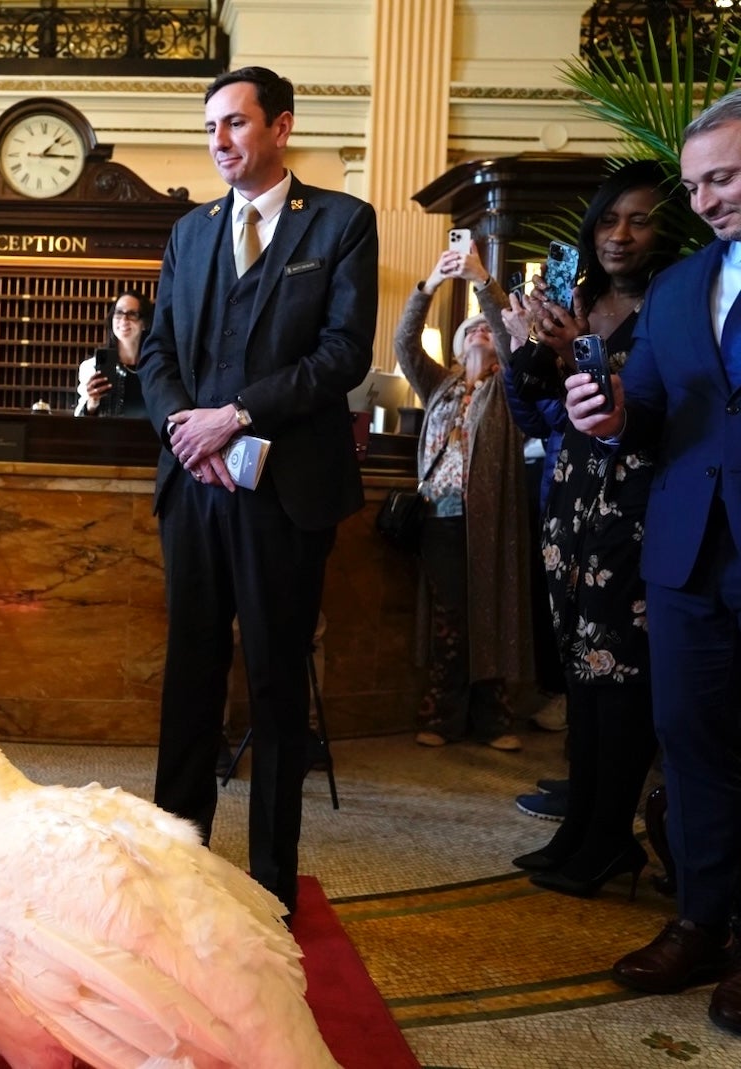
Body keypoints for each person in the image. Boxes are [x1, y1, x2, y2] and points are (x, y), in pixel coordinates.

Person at [134, 66, 378, 913]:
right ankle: (176, 862)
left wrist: (231, 415)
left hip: (286, 494)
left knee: (275, 685)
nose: (220, 142)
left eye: (235, 124)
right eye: (211, 128)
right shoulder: (190, 231)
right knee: (190, 676)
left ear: (281, 126)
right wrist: (180, 427)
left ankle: (272, 882)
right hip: (194, 486)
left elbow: (342, 355)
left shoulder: (342, 223)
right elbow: (158, 350)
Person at [565, 91, 741, 1034]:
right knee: (695, 747)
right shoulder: (679, 288)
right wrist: (614, 416)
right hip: (685, 555)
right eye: (699, 183)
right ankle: (702, 921)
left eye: (728, 176)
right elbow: (655, 413)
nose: (710, 199)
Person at [503, 161, 672, 899]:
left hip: (635, 506)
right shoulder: (581, 297)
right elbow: (532, 408)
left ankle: (610, 837)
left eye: (638, 219)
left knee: (620, 678)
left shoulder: (670, 304)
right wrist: (526, 344)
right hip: (570, 502)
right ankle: (580, 829)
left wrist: (575, 355)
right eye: (608, 219)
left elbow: (666, 409)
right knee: (580, 671)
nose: (620, 234)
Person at [394, 245, 530, 753]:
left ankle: (495, 720)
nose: (478, 330)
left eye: (486, 328)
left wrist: (480, 280)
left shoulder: (512, 385)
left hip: (494, 520)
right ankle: (443, 716)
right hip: (440, 518)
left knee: (491, 613)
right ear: (455, 350)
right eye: (469, 329)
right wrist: (428, 285)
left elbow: (512, 337)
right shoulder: (440, 386)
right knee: (451, 616)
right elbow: (405, 344)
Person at [75, 290, 151, 417]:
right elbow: (79, 422)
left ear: (144, 323)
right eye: (119, 313)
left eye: (132, 314)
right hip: (108, 436)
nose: (124, 319)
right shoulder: (91, 367)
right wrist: (92, 402)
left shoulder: (155, 367)